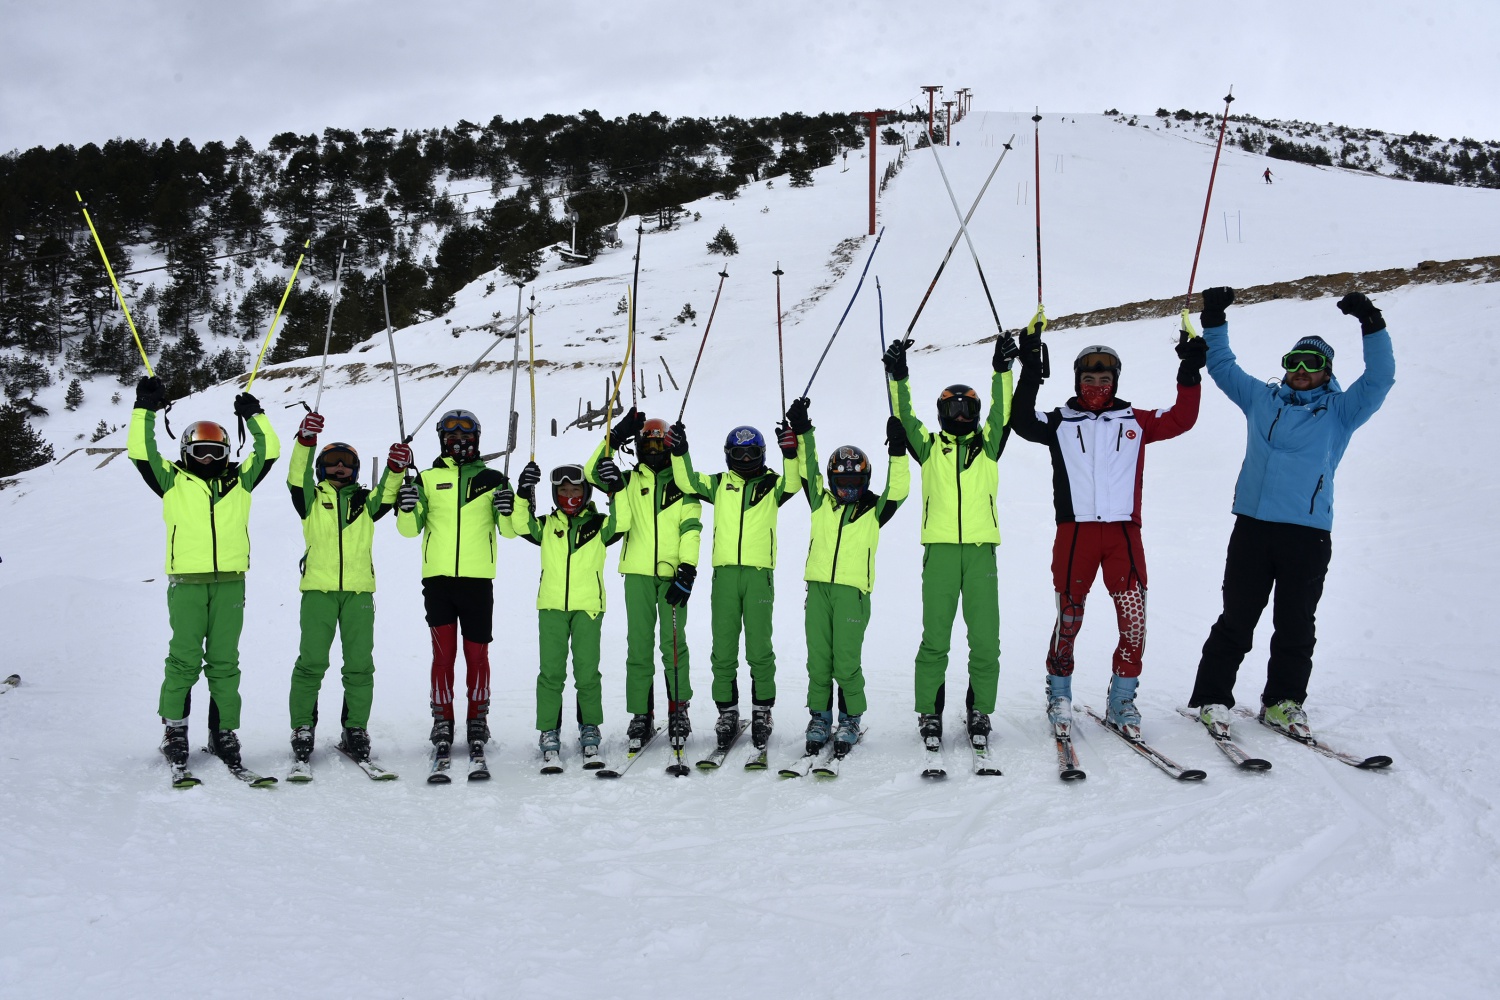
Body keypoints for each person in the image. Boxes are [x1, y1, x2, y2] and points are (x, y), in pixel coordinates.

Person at [1188, 288, 1395, 738]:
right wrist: (1214, 318)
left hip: (1307, 534)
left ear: (1325, 372)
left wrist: (1371, 321)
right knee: (1237, 617)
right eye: (1293, 362)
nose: (1299, 372)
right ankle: (1211, 698)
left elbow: (1380, 378)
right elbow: (1222, 368)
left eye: (1310, 364)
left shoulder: (1340, 411)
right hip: (1253, 528)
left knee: (1296, 623)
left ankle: (1283, 702)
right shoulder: (1263, 400)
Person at [1008, 314, 1205, 740]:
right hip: (1075, 534)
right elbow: (1021, 420)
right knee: (1070, 619)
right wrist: (1029, 367)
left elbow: (1183, 419)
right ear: (1077, 379)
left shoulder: (1135, 420)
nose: (1096, 384)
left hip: (1123, 537)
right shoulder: (1060, 421)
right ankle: (1059, 693)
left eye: (1104, 376)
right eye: (1088, 376)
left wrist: (1189, 373)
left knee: (1134, 621)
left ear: (1116, 379)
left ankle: (1122, 698)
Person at [128, 377, 279, 771]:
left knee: (225, 662)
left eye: (216, 453)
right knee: (184, 660)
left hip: (230, 582)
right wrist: (145, 408)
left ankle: (223, 732)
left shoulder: (239, 481)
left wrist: (255, 415)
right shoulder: (172, 481)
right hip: (187, 584)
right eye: (200, 452)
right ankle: (175, 732)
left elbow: (270, 450)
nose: (208, 460)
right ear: (186, 452)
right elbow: (140, 451)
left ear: (227, 452)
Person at [882, 330, 1015, 754]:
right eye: (952, 407)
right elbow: (903, 416)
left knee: (985, 639)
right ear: (941, 412)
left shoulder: (989, 444)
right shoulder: (930, 447)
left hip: (980, 553)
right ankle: (930, 711)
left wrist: (1002, 370)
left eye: (967, 407)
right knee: (935, 638)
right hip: (939, 552)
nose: (960, 414)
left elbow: (1003, 412)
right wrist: (898, 375)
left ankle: (980, 710)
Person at [669, 416, 802, 759]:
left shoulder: (772, 484)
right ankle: (727, 714)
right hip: (725, 576)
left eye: (752, 454)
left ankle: (762, 711)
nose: (746, 461)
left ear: (762, 454)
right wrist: (680, 451)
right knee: (723, 650)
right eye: (739, 455)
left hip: (758, 574)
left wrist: (791, 451)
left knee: (759, 648)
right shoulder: (718, 484)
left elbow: (794, 481)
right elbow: (686, 481)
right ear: (728, 455)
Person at [283, 411, 405, 766]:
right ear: (322, 468)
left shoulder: (364, 503)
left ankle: (355, 729)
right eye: (332, 462)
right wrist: (306, 441)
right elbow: (296, 476)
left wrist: (396, 467)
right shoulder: (309, 498)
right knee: (311, 663)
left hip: (358, 594)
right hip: (318, 591)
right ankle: (302, 727)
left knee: (359, 666)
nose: (340, 468)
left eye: (347, 463)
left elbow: (388, 491)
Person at [790, 397, 909, 753]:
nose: (846, 488)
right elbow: (806, 468)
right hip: (818, 590)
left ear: (865, 479)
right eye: (840, 481)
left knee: (846, 660)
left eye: (854, 481)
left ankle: (851, 718)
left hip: (852, 594)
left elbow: (899, 489)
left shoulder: (874, 510)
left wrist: (899, 452)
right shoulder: (821, 502)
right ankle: (820, 717)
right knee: (818, 659)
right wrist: (803, 430)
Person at [395, 409, 516, 759]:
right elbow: (409, 529)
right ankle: (442, 719)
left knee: (477, 655)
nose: (459, 440)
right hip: (438, 583)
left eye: (467, 434)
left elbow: (508, 531)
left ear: (477, 439)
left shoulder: (493, 478)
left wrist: (508, 510)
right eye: (452, 434)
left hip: (478, 582)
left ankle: (478, 718)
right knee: (443, 655)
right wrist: (406, 506)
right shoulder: (427, 479)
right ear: (442, 439)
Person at [584, 409, 703, 752]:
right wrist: (615, 435)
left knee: (674, 645)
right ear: (637, 447)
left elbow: (691, 528)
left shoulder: (682, 483)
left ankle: (679, 709)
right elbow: (593, 471)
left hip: (671, 577)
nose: (652, 451)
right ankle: (642, 714)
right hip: (636, 572)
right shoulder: (627, 481)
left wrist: (687, 568)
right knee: (638, 647)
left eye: (658, 445)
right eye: (646, 444)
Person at [505, 460, 630, 763]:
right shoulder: (547, 525)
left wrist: (616, 488)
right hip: (551, 608)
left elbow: (623, 521)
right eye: (563, 490)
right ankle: (549, 730)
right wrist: (523, 491)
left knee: (587, 673)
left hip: (588, 608)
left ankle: (590, 727)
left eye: (575, 489)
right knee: (551, 673)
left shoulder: (599, 524)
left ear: (586, 491)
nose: (569, 494)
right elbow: (520, 524)